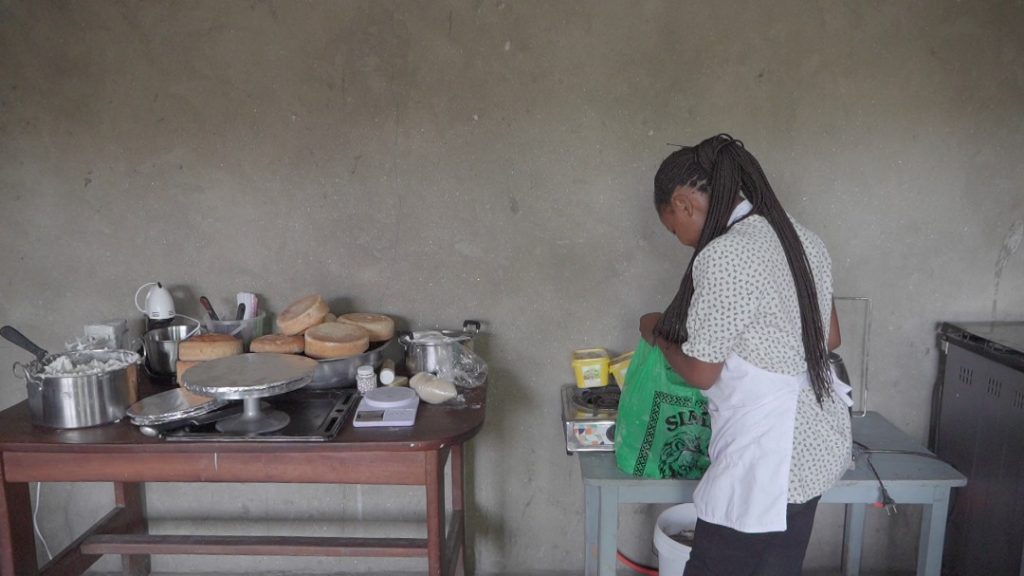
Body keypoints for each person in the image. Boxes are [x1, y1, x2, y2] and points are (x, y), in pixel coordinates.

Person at [639, 134, 852, 576]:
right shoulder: (801, 237)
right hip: (814, 444)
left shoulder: (726, 255)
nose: (680, 239)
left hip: (768, 458)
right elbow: (829, 337)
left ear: (683, 204)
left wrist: (658, 332)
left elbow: (701, 373)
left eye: (672, 227)